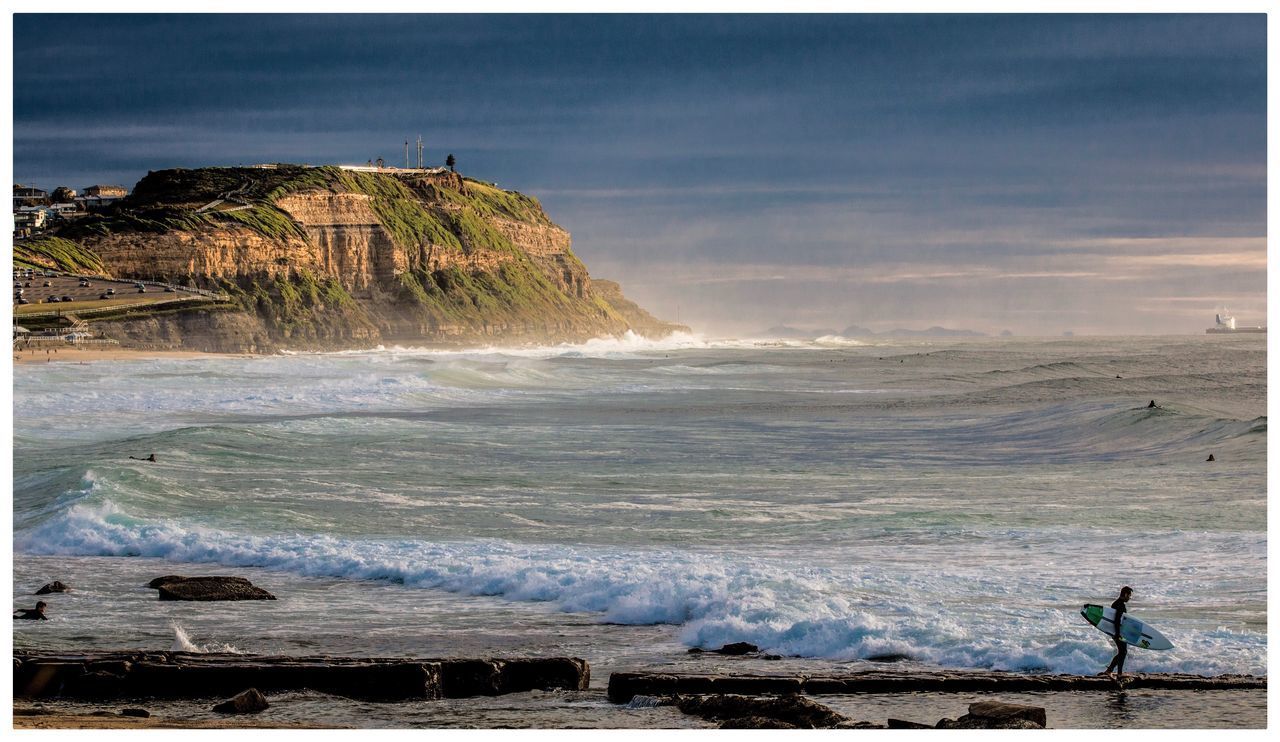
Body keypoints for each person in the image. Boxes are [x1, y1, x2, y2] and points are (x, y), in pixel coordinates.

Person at [1100, 586, 1133, 678]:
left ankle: (1111, 670)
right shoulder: (1121, 605)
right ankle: (1117, 673)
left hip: (1115, 631)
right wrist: (1118, 633)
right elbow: (1117, 620)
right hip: (1118, 631)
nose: (1130, 598)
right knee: (1123, 652)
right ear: (1126, 594)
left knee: (1122, 652)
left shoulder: (1115, 603)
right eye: (1129, 596)